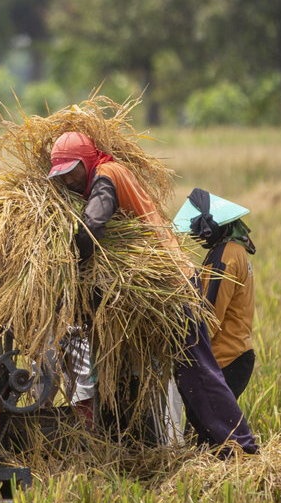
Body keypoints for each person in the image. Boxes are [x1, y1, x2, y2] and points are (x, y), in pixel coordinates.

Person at [47, 131, 258, 455]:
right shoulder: (108, 176)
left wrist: (68, 266)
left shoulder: (106, 176)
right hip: (166, 286)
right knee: (188, 373)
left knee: (198, 370)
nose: (68, 181)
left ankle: (240, 446)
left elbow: (92, 227)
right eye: (60, 176)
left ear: (87, 161)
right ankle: (212, 448)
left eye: (71, 171)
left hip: (171, 286)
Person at [173, 189, 256, 399]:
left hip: (225, 359)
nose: (196, 236)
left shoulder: (224, 256)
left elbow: (210, 315)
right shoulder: (235, 250)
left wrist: (184, 347)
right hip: (237, 353)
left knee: (208, 429)